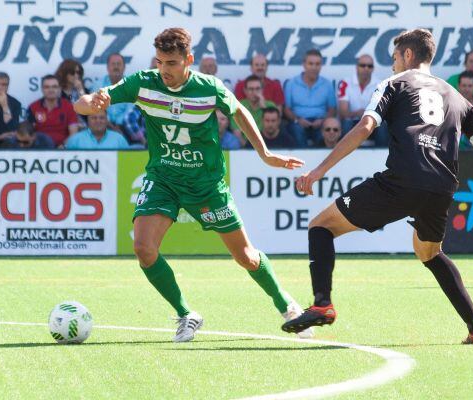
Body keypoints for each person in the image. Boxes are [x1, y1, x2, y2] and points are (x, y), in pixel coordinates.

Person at [281, 29, 473, 345]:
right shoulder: (458, 97)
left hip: (403, 181)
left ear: (407, 55)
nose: (393, 64)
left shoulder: (395, 84)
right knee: (429, 252)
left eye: (395, 57)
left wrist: (318, 172)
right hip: (442, 187)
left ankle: (322, 303)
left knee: (320, 227)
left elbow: (365, 127)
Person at [74, 27, 312, 342]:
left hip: (206, 185)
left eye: (171, 63)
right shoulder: (142, 83)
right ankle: (187, 314)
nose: (164, 70)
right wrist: (92, 102)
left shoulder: (208, 88)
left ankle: (287, 305)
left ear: (189, 59)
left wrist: (264, 153)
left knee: (246, 257)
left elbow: (239, 111)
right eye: (159, 62)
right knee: (143, 248)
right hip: (164, 179)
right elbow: (84, 103)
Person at [284, 49, 337, 147]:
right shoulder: (291, 83)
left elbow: (332, 110)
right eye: (311, 64)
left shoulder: (327, 84)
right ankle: (302, 161)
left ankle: (321, 161)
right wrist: (298, 120)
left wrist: (322, 120)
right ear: (304, 64)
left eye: (317, 64)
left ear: (321, 65)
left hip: (320, 121)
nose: (314, 67)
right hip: (298, 122)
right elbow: (287, 109)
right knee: (297, 131)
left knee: (326, 132)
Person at [93, 53, 145, 146]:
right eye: (113, 64)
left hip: (125, 127)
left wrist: (119, 126)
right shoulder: (98, 85)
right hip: (104, 125)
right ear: (108, 67)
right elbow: (98, 109)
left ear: (124, 67)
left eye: (119, 64)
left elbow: (130, 111)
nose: (116, 67)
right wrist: (112, 127)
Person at [27, 75, 79, 147]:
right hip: (39, 149)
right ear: (42, 89)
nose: (51, 90)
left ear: (59, 88)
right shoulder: (33, 107)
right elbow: (29, 134)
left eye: (54, 87)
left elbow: (73, 134)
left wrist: (63, 146)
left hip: (64, 150)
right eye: (47, 87)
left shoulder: (69, 107)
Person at [229, 75, 277, 147]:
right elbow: (237, 133)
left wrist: (264, 108)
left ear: (262, 90)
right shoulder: (238, 107)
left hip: (267, 146)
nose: (254, 92)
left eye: (257, 89)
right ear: (245, 91)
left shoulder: (270, 106)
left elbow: (272, 130)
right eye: (251, 89)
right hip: (246, 147)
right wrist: (248, 148)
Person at [65, 110, 129, 150]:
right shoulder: (75, 140)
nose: (98, 121)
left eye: (101, 118)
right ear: (88, 120)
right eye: (94, 118)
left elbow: (127, 162)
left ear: (107, 120)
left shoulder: (119, 139)